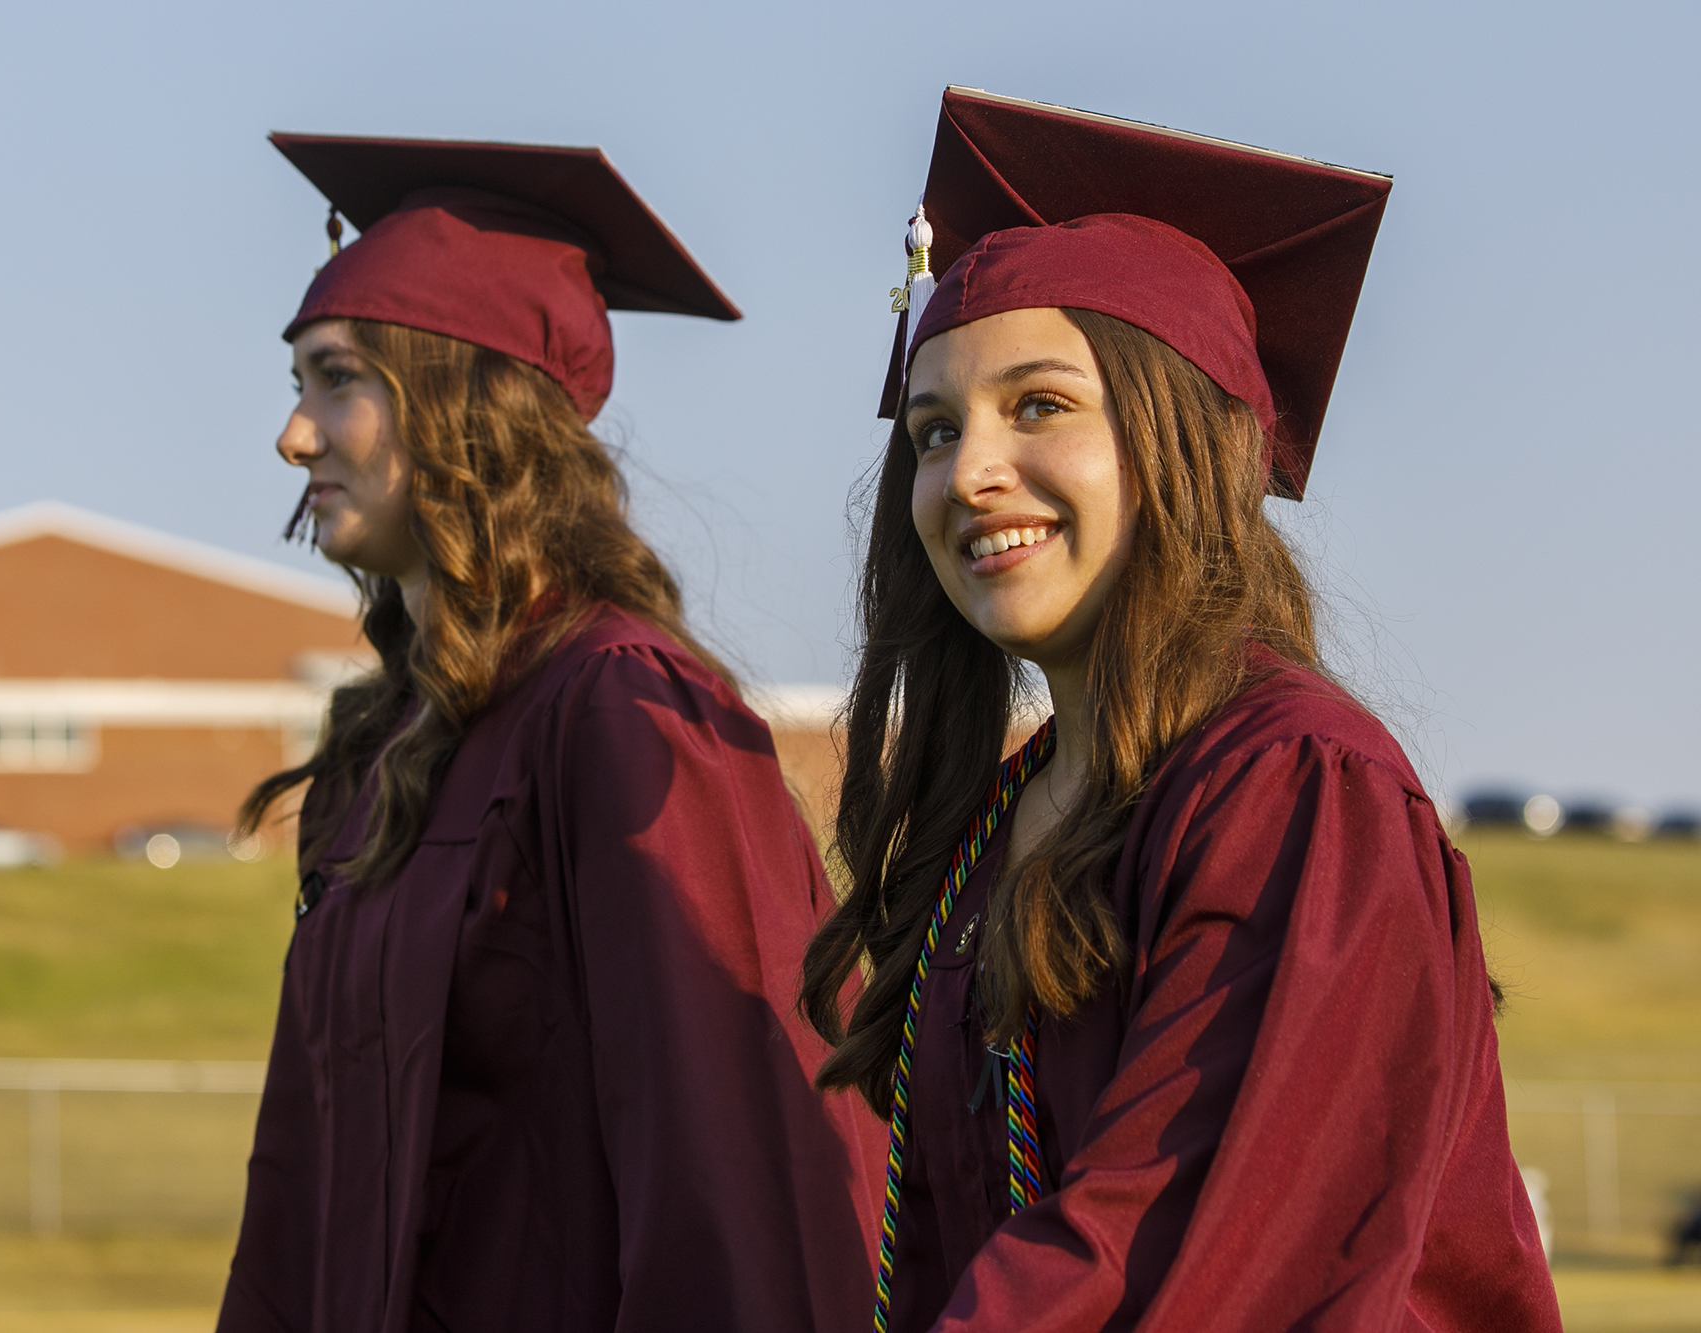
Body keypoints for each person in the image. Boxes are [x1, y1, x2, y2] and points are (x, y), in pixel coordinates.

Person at [799, 88, 1564, 1332]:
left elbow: (1185, 1251)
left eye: (1037, 404)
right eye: (933, 430)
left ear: (1182, 444)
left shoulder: (1295, 786)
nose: (968, 470)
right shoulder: (1009, 817)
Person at [218, 134, 879, 1333]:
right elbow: (298, 1190)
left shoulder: (625, 718)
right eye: (297, 384)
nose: (293, 436)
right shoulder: (379, 754)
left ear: (470, 403)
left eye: (336, 380)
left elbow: (733, 1178)